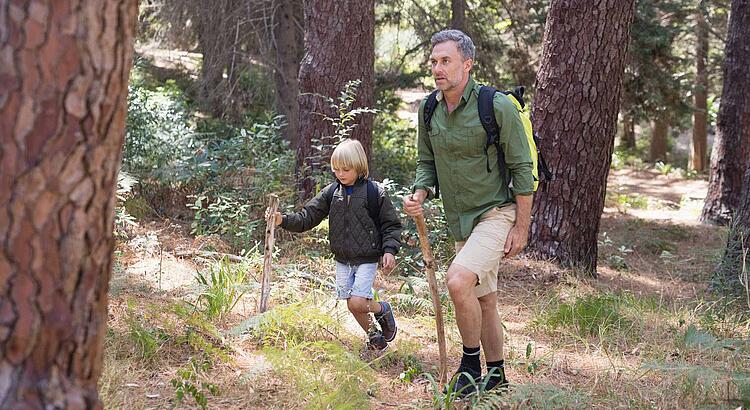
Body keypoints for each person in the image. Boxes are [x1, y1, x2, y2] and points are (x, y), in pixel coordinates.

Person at [402, 29, 534, 395]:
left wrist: (521, 228)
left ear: (467, 64)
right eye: (434, 62)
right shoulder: (428, 110)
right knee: (484, 298)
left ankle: (469, 366)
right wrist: (419, 194)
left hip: (496, 213)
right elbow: (425, 162)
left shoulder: (496, 106)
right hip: (461, 220)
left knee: (458, 280)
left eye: (446, 61)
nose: (438, 68)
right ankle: (497, 376)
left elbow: (523, 169)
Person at [267, 139, 402, 351]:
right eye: (336, 169)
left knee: (357, 302)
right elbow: (307, 217)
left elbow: (390, 225)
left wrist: (389, 250)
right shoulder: (332, 193)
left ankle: (382, 308)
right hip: (342, 260)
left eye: (346, 169)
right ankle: (374, 337)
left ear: (359, 167)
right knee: (351, 304)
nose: (340, 174)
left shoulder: (374, 192)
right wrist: (282, 219)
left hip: (366, 258)